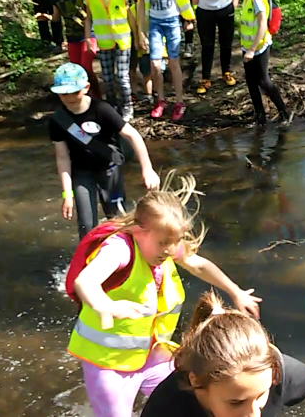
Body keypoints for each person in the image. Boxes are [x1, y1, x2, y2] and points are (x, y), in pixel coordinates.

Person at [66, 173, 263, 417]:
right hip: (108, 364)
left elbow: (199, 266)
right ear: (138, 231)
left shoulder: (165, 246)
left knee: (192, 403)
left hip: (153, 356)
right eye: (163, 243)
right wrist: (103, 304)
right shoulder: (119, 249)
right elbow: (85, 280)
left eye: (175, 241)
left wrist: (235, 292)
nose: (170, 250)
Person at [141, 290, 305, 416]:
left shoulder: (273, 371)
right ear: (197, 383)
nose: (253, 414)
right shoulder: (167, 408)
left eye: (261, 396)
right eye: (236, 402)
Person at [48, 63, 159, 238]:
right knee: (86, 226)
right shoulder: (58, 120)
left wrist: (147, 169)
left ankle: (127, 250)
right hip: (81, 174)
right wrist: (67, 194)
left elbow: (133, 135)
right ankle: (90, 253)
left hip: (109, 170)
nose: (69, 98)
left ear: (86, 88)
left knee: (118, 220)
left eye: (74, 92)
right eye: (64, 94)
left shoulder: (102, 110)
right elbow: (62, 158)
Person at [137, 0, 196, 120]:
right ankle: (160, 100)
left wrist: (187, 18)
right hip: (154, 22)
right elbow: (140, 4)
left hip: (172, 21)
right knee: (155, 64)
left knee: (173, 62)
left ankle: (179, 102)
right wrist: (140, 31)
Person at [230, 0, 289, 127]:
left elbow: (262, 24)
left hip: (258, 47)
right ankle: (260, 117)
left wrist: (252, 49)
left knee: (263, 81)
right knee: (251, 81)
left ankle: (284, 114)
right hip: (247, 46)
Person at [85, 0, 134, 121]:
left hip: (122, 40)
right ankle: (112, 104)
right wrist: (88, 38)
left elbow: (130, 15)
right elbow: (88, 19)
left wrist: (139, 35)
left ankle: (127, 105)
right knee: (107, 77)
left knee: (122, 76)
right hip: (104, 41)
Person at [49, 0, 102, 99]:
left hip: (88, 34)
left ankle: (96, 97)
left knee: (86, 67)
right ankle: (82, 98)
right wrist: (46, 17)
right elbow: (56, 17)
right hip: (72, 36)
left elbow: (92, 12)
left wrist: (91, 36)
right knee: (76, 70)